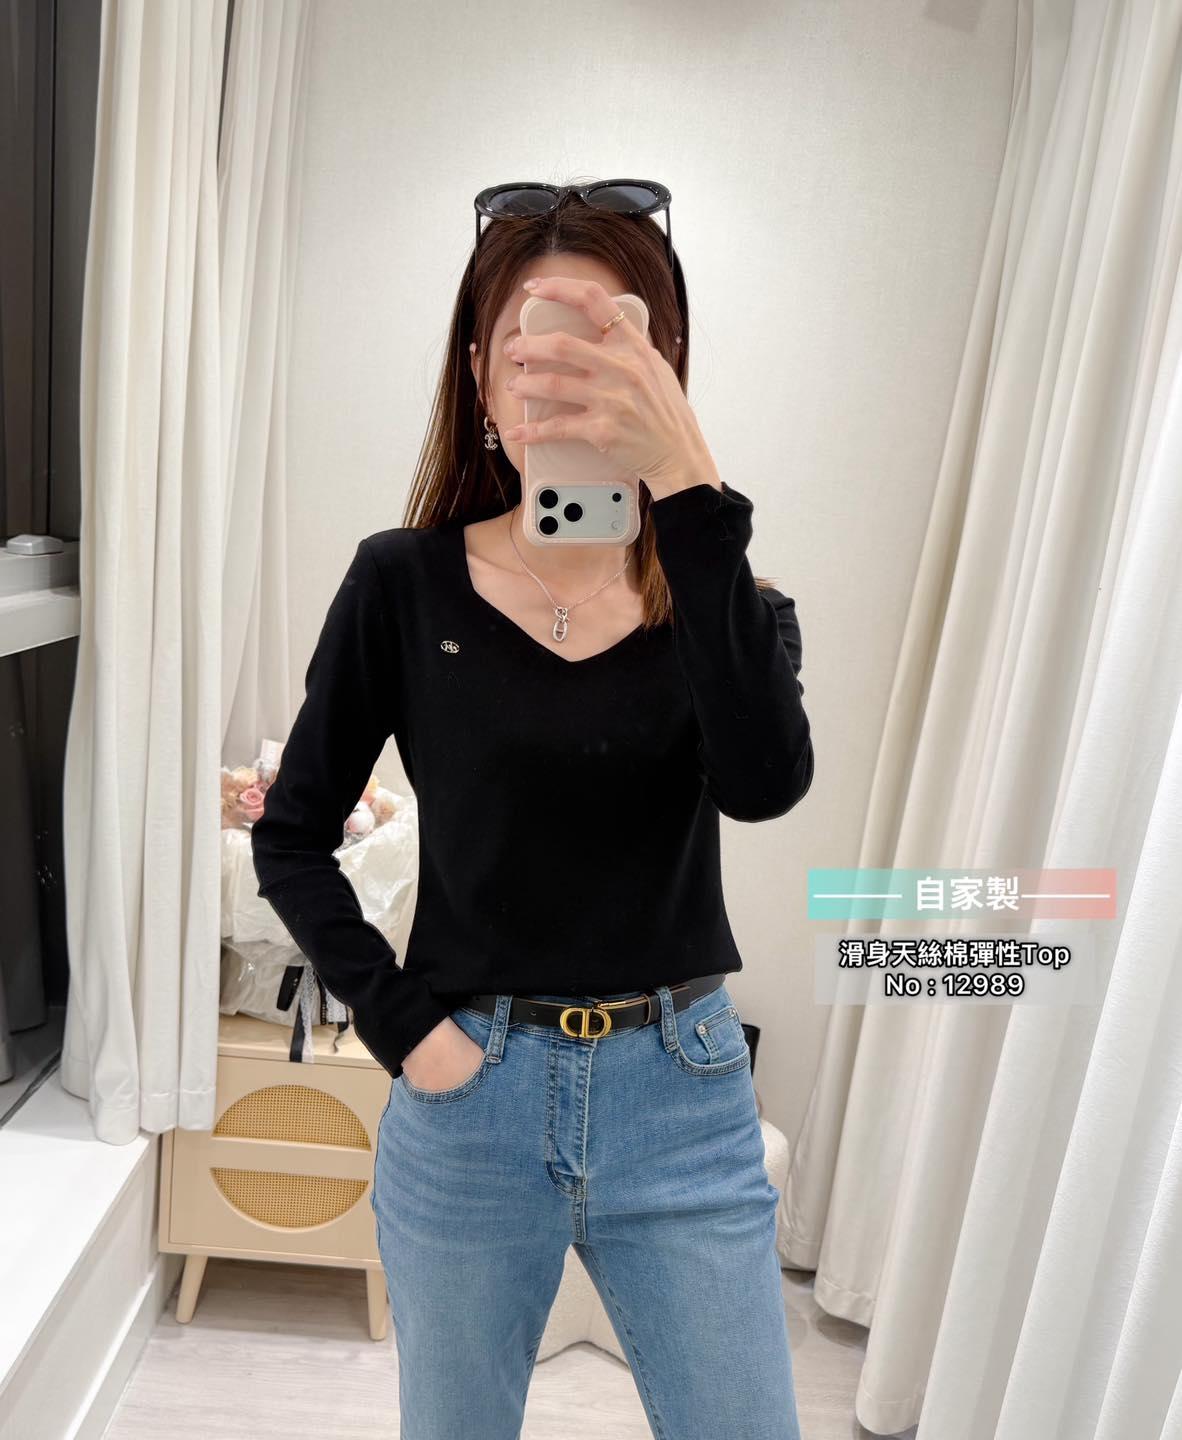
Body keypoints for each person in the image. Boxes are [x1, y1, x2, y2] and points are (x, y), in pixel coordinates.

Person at [251, 181, 813, 1440]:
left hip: (683, 1098)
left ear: (664, 369)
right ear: (479, 376)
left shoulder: (729, 601)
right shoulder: (401, 585)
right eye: (529, 351)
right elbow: (292, 836)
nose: (561, 387)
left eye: (605, 349)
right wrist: (408, 1030)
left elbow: (766, 787)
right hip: (471, 1100)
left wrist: (692, 488)